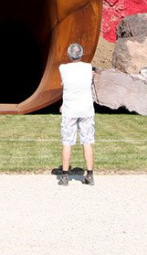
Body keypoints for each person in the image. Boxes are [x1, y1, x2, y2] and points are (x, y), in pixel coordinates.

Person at [58, 42, 95, 186]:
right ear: (81, 54)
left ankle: (65, 175)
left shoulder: (63, 68)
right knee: (87, 141)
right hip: (86, 110)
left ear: (69, 54)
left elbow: (65, 83)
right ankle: (90, 175)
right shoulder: (88, 67)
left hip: (69, 110)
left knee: (67, 141)